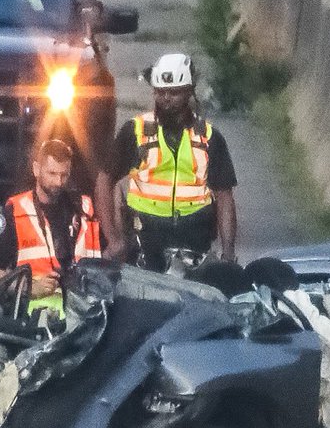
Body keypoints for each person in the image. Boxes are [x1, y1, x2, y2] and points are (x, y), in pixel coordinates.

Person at [95, 52, 238, 271]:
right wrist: (114, 240)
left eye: (174, 92)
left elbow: (224, 196)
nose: (166, 99)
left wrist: (228, 254)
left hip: (194, 247)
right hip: (145, 246)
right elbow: (104, 180)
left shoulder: (209, 137)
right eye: (160, 92)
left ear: (189, 92)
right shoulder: (135, 131)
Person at [0, 139, 102, 314]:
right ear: (36, 169)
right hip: (30, 323)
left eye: (64, 175)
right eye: (52, 174)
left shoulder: (86, 209)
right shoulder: (16, 210)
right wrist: (28, 287)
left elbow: (106, 263)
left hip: (83, 319)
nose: (58, 182)